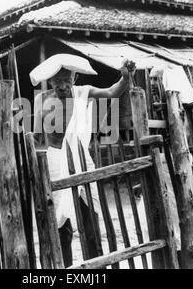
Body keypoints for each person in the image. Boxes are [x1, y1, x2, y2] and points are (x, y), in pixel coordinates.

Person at [31, 54, 136, 267]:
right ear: (50, 80)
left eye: (66, 80)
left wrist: (126, 78)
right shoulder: (40, 100)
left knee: (90, 213)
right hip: (53, 162)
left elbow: (111, 92)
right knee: (60, 220)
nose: (62, 85)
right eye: (57, 81)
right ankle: (66, 267)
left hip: (81, 159)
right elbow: (37, 137)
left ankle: (95, 264)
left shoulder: (83, 93)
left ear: (75, 78)